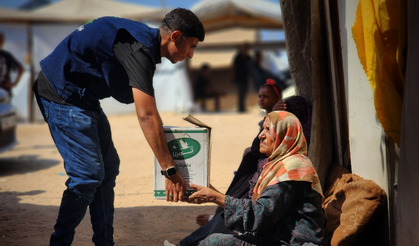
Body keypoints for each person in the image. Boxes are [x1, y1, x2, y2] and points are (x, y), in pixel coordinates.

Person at [32, 8, 204, 246]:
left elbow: (149, 110)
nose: (191, 55)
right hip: (61, 94)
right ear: (175, 36)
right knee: (87, 175)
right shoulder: (138, 48)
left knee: (108, 169)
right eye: (192, 46)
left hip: (85, 99)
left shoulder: (142, 44)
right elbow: (146, 115)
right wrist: (170, 170)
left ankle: (104, 243)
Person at [165, 111, 326, 246]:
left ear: (285, 135)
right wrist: (214, 195)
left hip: (292, 243)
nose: (261, 135)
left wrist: (215, 197)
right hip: (276, 236)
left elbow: (260, 215)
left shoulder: (293, 170)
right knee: (222, 222)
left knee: (216, 242)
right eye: (262, 129)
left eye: (268, 129)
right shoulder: (278, 164)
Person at [195, 78, 284, 226]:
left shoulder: (281, 119)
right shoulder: (266, 120)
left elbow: (257, 149)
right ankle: (220, 215)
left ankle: (219, 218)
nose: (261, 99)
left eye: (265, 96)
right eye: (259, 96)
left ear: (277, 99)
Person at [231, 43, 252, 113]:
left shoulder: (248, 57)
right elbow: (234, 67)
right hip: (239, 77)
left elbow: (250, 67)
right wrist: (233, 76)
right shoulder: (238, 57)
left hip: (245, 78)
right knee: (240, 92)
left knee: (244, 92)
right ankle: (240, 108)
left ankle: (242, 107)